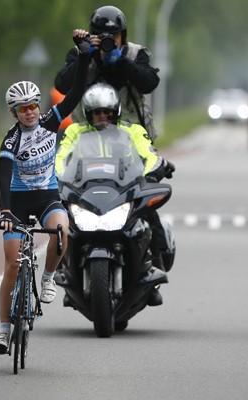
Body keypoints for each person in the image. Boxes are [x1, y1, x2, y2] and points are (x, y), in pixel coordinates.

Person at [0, 29, 91, 355]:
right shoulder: (12, 140)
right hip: (17, 202)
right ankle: (5, 330)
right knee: (11, 264)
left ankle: (48, 277)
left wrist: (84, 55)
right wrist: (5, 213)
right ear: (15, 113)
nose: (30, 111)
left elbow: (76, 92)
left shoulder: (51, 122)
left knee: (62, 230)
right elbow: (3, 176)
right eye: (23, 109)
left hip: (47, 194)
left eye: (33, 105)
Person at [55, 82, 174, 306]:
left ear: (116, 111)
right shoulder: (75, 132)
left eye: (107, 112)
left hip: (123, 189)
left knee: (151, 217)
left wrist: (152, 171)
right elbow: (61, 157)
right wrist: (55, 176)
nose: (102, 117)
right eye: (97, 112)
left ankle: (154, 273)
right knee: (62, 222)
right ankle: (64, 270)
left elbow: (148, 154)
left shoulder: (132, 131)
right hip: (85, 191)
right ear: (88, 113)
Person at [54, 5, 160, 142]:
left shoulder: (136, 53)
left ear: (123, 35)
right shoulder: (80, 53)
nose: (109, 41)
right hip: (88, 139)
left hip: (132, 139)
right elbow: (61, 85)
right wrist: (85, 57)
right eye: (101, 36)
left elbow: (149, 84)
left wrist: (122, 61)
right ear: (93, 36)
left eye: (115, 35)